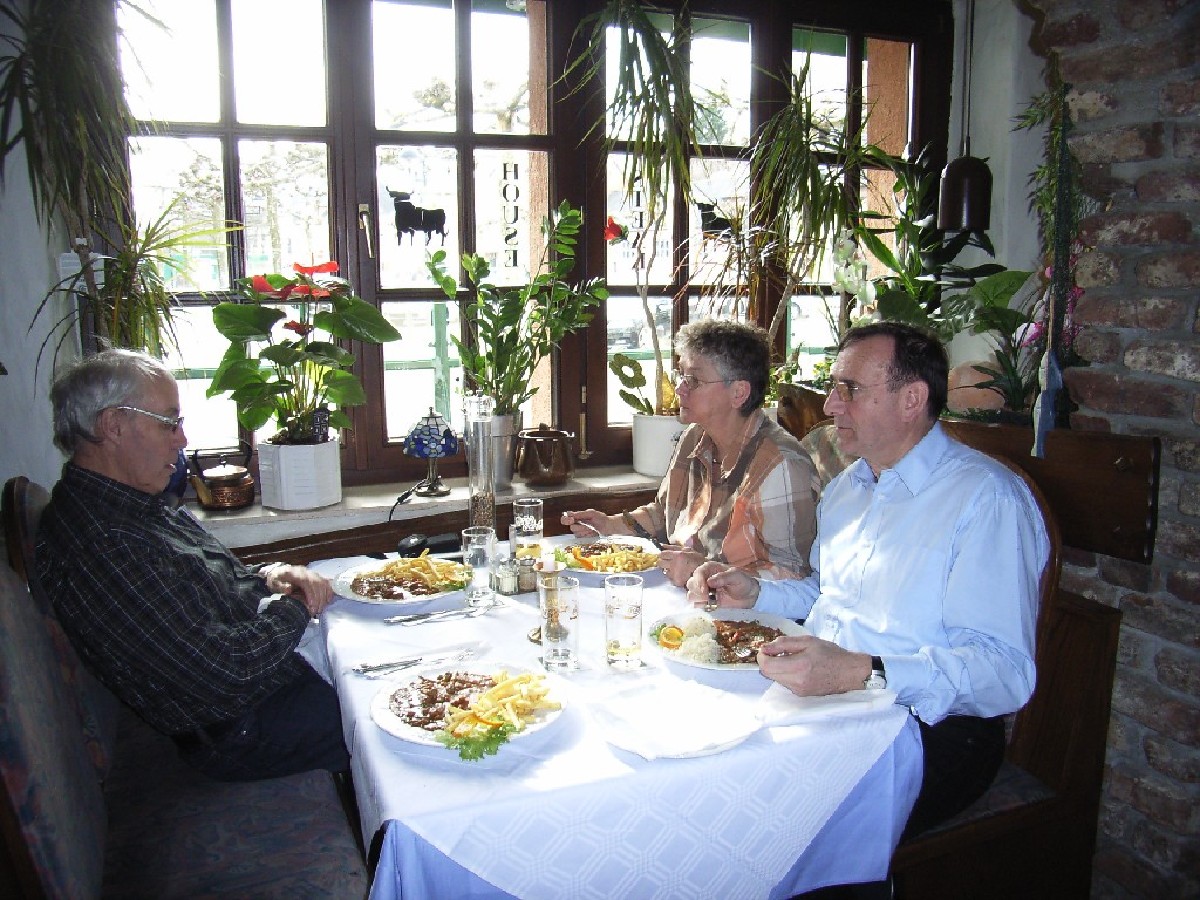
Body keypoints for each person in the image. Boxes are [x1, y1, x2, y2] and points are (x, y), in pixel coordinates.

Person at [688, 322, 1049, 836]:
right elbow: (828, 594)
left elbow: (1005, 672)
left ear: (912, 399)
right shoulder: (848, 489)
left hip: (930, 727)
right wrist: (757, 592)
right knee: (697, 749)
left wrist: (864, 672)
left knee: (745, 808)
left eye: (849, 389)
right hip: (831, 700)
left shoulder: (986, 499)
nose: (830, 405)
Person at [35, 349, 349, 782]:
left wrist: (271, 576)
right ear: (113, 425)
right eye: (168, 423)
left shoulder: (130, 504)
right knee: (406, 713)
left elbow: (209, 582)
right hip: (245, 727)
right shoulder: (104, 543)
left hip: (270, 684)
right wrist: (295, 604)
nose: (181, 440)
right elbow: (225, 671)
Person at [563, 319, 819, 586]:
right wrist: (609, 525)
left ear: (739, 392)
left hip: (735, 608)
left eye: (693, 380)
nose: (679, 389)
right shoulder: (695, 437)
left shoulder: (780, 465)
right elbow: (664, 514)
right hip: (679, 594)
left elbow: (793, 578)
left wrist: (707, 572)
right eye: (681, 376)